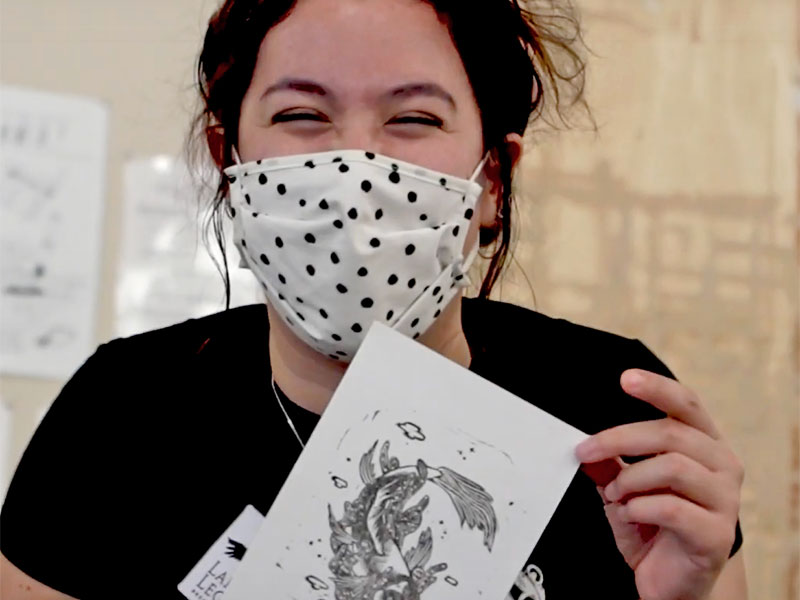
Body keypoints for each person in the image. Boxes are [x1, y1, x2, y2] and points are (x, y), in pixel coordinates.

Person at [1, 1, 747, 598]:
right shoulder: (117, 415)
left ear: (492, 179)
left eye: (414, 119)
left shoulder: (610, 421)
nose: (357, 162)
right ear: (231, 161)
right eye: (301, 115)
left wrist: (687, 597)